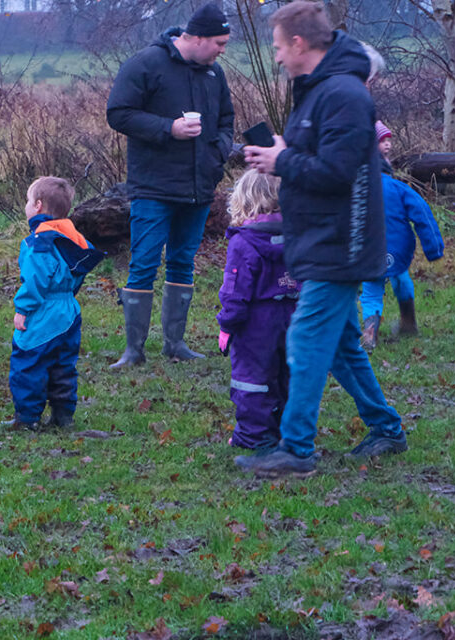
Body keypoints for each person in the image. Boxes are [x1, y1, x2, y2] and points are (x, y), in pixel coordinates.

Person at [239, 1, 406, 477]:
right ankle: (386, 429)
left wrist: (281, 163)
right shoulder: (315, 90)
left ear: (298, 43)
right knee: (340, 346)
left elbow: (337, 171)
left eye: (276, 47)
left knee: (307, 336)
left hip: (343, 241)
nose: (275, 57)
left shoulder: (344, 95)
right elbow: (321, 153)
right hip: (321, 234)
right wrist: (281, 150)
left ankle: (295, 449)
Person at [106, 3, 235, 367]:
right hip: (153, 187)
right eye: (219, 43)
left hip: (198, 187)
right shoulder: (145, 64)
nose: (223, 50)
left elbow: (227, 119)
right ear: (195, 38)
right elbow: (118, 113)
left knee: (183, 262)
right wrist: (169, 129)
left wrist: (219, 151)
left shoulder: (214, 74)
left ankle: (175, 344)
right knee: (144, 263)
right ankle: (134, 350)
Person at [9, 177, 104, 429]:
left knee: (28, 361)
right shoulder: (73, 238)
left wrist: (23, 309)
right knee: (63, 365)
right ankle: (63, 417)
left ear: (38, 205)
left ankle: (27, 419)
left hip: (43, 310)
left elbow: (35, 280)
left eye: (29, 201)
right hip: (69, 310)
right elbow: (79, 271)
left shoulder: (39, 242)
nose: (27, 205)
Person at [216, 169, 299, 451]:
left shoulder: (244, 242)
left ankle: (253, 435)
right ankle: (287, 431)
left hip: (256, 325)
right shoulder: (298, 237)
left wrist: (227, 326)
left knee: (251, 378)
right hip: (295, 318)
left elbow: (235, 291)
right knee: (287, 376)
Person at [360, 123, 445, 350]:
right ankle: (408, 321)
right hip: (397, 250)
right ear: (388, 171)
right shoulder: (399, 188)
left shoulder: (356, 190)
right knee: (401, 278)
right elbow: (423, 216)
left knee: (371, 291)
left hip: (367, 251)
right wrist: (433, 249)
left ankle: (369, 332)